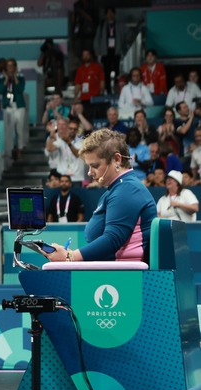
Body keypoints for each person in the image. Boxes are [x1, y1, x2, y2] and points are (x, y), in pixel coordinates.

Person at [43, 129, 156, 262]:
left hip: (129, 277)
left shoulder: (128, 189)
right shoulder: (116, 189)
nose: (90, 173)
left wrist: (70, 256)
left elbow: (112, 240)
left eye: (95, 166)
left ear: (117, 159)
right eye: (89, 167)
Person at [0, 58, 27, 161]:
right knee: (8, 130)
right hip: (7, 106)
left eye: (12, 66)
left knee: (19, 129)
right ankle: (9, 151)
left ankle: (19, 149)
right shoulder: (2, 78)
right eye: (8, 66)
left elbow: (20, 89)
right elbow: (0, 90)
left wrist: (15, 77)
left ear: (15, 67)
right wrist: (6, 79)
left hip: (18, 106)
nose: (10, 68)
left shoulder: (20, 77)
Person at [94, 8, 125, 94]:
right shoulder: (102, 25)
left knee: (117, 73)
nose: (110, 14)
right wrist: (97, 50)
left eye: (111, 12)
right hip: (105, 52)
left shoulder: (119, 24)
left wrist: (127, 39)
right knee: (106, 73)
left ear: (114, 14)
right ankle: (108, 90)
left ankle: (117, 89)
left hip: (116, 52)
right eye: (108, 13)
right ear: (106, 15)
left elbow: (128, 33)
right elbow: (97, 38)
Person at [47, 118, 87, 183]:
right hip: (63, 177)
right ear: (67, 129)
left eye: (74, 129)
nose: (72, 131)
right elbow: (49, 149)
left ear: (77, 131)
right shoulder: (61, 141)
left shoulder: (82, 142)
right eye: (70, 128)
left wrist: (68, 142)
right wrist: (52, 134)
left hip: (77, 178)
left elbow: (77, 154)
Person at [74, 49, 105, 119]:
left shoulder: (97, 67)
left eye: (87, 55)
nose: (85, 57)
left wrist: (101, 92)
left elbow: (102, 80)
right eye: (83, 55)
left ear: (90, 55)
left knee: (97, 116)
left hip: (96, 96)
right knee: (86, 116)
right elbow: (78, 84)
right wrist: (76, 96)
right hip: (84, 97)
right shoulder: (80, 69)